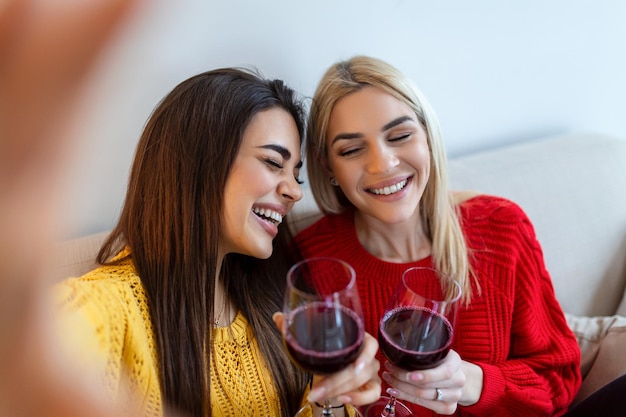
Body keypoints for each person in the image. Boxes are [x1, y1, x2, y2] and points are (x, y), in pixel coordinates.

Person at [51, 67, 382, 417]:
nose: (295, 191)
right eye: (273, 162)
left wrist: (328, 396)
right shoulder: (104, 308)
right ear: (199, 163)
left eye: (296, 174)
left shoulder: (269, 305)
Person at [296, 55, 588, 416]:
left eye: (400, 136)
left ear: (428, 138)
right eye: (352, 150)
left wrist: (471, 382)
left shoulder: (502, 229)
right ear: (329, 168)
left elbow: (559, 378)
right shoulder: (310, 258)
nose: (382, 165)